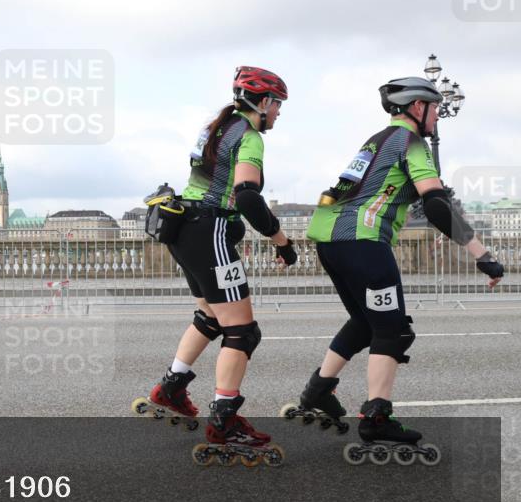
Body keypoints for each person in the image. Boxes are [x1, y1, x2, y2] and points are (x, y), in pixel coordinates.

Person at [298, 76, 504, 461]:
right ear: (416, 107)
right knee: (393, 331)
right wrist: (482, 254)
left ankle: (318, 390)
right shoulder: (412, 143)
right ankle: (377, 418)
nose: (438, 115)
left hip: (329, 239)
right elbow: (437, 205)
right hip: (363, 241)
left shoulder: (376, 140)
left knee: (365, 323)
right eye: (435, 108)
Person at [140, 66, 297, 462]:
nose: (279, 112)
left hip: (184, 229)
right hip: (210, 231)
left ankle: (171, 388)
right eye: (278, 105)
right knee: (242, 332)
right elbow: (247, 197)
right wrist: (282, 241)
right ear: (264, 102)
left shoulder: (215, 127)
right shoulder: (249, 136)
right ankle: (224, 422)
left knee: (210, 317)